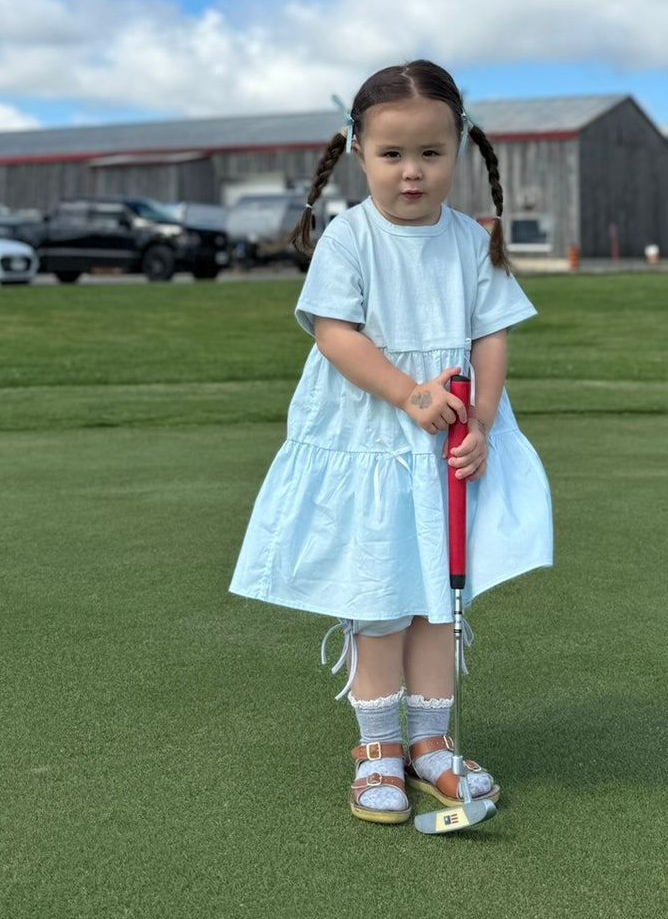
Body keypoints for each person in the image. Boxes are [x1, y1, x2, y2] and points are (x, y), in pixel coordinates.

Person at [229, 59, 553, 825]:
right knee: (378, 595)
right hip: (370, 436)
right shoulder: (349, 236)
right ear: (357, 151)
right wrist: (408, 394)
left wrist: (480, 423)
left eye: (430, 154)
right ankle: (377, 747)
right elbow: (336, 335)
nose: (412, 172)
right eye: (392, 155)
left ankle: (431, 744)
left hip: (447, 444)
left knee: (439, 601)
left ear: (458, 151)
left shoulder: (471, 241)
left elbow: (491, 336)